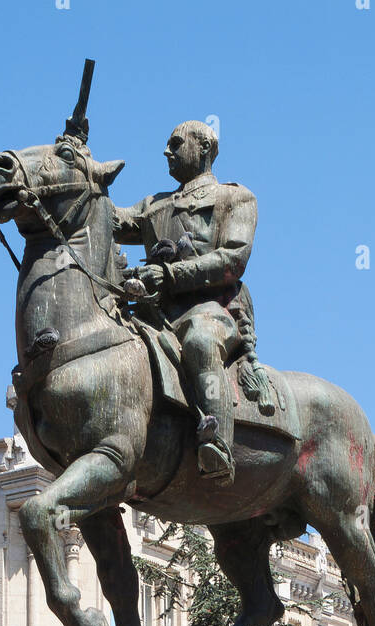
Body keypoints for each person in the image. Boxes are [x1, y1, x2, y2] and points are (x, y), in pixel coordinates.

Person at [114, 121, 258, 486]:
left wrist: (172, 275)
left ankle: (218, 445)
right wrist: (80, 166)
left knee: (199, 342)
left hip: (211, 309)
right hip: (155, 313)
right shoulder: (154, 205)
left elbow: (233, 259)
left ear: (205, 149)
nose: (167, 152)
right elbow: (108, 219)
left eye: (176, 144)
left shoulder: (234, 197)